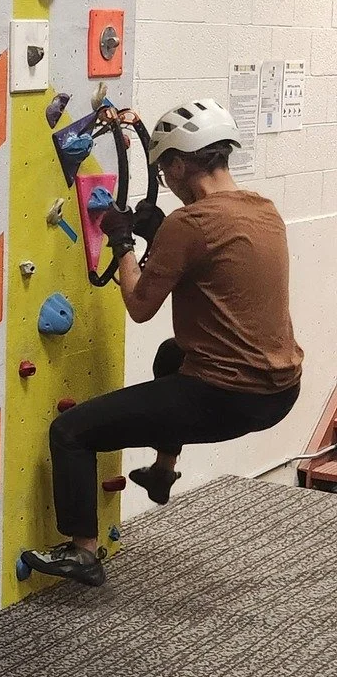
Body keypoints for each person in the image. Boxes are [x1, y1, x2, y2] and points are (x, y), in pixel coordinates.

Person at [21, 98, 302, 588]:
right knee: (171, 355)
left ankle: (82, 551)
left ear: (178, 164)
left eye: (164, 168)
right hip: (282, 392)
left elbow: (139, 304)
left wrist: (122, 240)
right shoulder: (264, 209)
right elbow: (214, 259)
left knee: (70, 432)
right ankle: (162, 471)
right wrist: (159, 233)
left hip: (226, 398)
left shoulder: (188, 225)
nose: (165, 179)